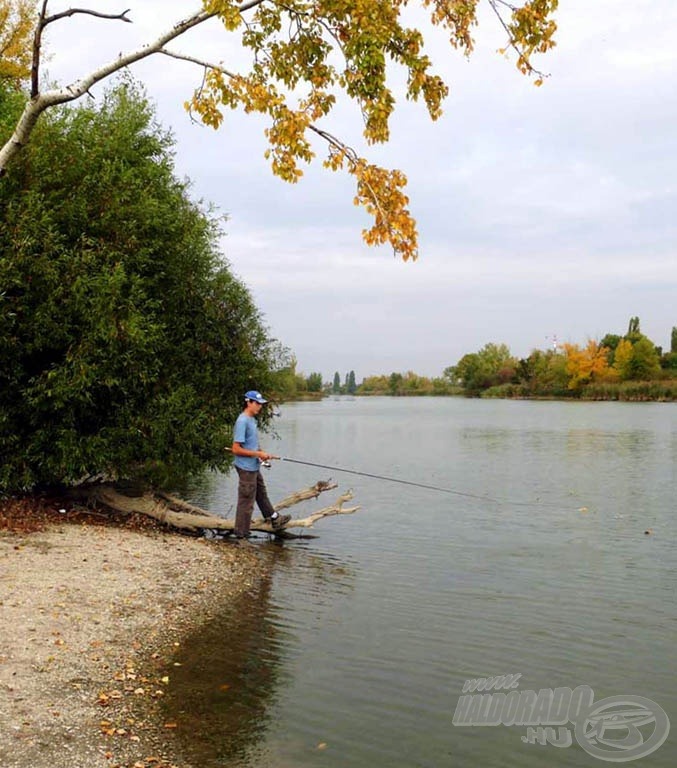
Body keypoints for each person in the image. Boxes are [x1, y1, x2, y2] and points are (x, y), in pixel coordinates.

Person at [231, 390, 291, 539]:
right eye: (257, 403)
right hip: (245, 468)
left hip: (253, 466)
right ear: (248, 402)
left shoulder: (252, 420)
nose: (260, 406)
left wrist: (262, 454)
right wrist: (258, 454)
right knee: (246, 502)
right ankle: (241, 535)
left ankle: (274, 518)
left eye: (261, 404)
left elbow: (251, 445)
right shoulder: (242, 421)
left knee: (261, 494)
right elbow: (236, 449)